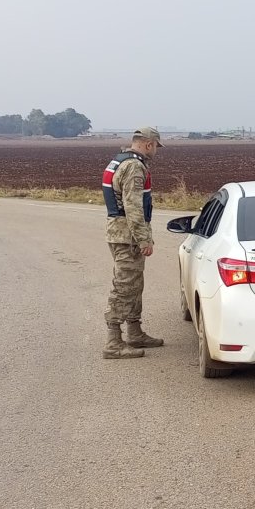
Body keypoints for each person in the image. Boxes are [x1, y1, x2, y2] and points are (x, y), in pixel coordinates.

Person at [100, 126, 166, 359]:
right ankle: (113, 342)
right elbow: (133, 206)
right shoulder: (134, 167)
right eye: (156, 146)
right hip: (127, 236)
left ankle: (135, 332)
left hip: (120, 233)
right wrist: (143, 239)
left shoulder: (120, 161)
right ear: (148, 144)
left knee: (134, 284)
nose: (156, 151)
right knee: (125, 286)